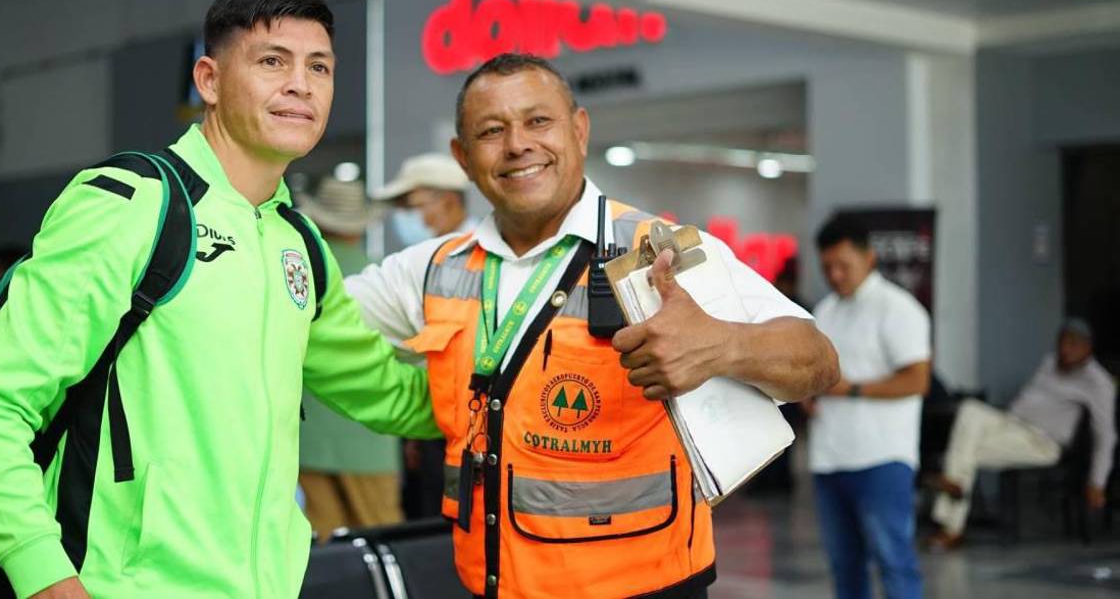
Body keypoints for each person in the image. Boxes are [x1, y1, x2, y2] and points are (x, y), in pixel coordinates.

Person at [0, 0, 439, 599]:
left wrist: (511, 394)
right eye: (272, 61)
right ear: (209, 80)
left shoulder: (300, 243)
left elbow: (387, 392)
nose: (301, 84)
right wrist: (43, 574)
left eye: (319, 66)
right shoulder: (133, 205)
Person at [345, 53, 839, 599]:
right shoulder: (435, 268)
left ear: (579, 130)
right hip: (491, 585)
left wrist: (725, 346)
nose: (517, 144)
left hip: (643, 588)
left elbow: (818, 359)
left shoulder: (658, 252)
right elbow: (315, 317)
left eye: (538, 120)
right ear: (463, 157)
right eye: (491, 131)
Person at [807, 215, 930, 599]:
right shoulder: (825, 311)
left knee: (894, 563)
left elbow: (917, 380)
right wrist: (808, 395)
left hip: (882, 458)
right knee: (844, 569)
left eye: (844, 265)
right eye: (827, 267)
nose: (835, 275)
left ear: (870, 257)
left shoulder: (898, 308)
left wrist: (852, 389)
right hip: (830, 459)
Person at [924, 318, 1116, 549]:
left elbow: (1106, 435)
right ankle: (954, 485)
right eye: (1062, 342)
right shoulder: (1050, 362)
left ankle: (951, 524)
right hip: (1011, 424)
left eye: (1073, 344)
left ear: (1087, 348)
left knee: (961, 453)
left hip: (1043, 443)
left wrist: (1097, 482)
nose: (1065, 350)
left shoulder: (1098, 382)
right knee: (969, 409)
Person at [293, 176, 403, 538]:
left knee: (323, 545)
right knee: (382, 540)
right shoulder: (382, 278)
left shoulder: (299, 271)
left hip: (309, 437)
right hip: (372, 438)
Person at [371, 152, 476, 516]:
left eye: (411, 206)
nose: (404, 217)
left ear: (446, 201)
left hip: (466, 423)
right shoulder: (419, 263)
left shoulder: (473, 259)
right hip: (428, 420)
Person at [373, 152, 475, 246]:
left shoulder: (479, 250)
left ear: (448, 201)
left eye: (412, 206)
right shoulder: (429, 253)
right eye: (400, 206)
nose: (403, 215)